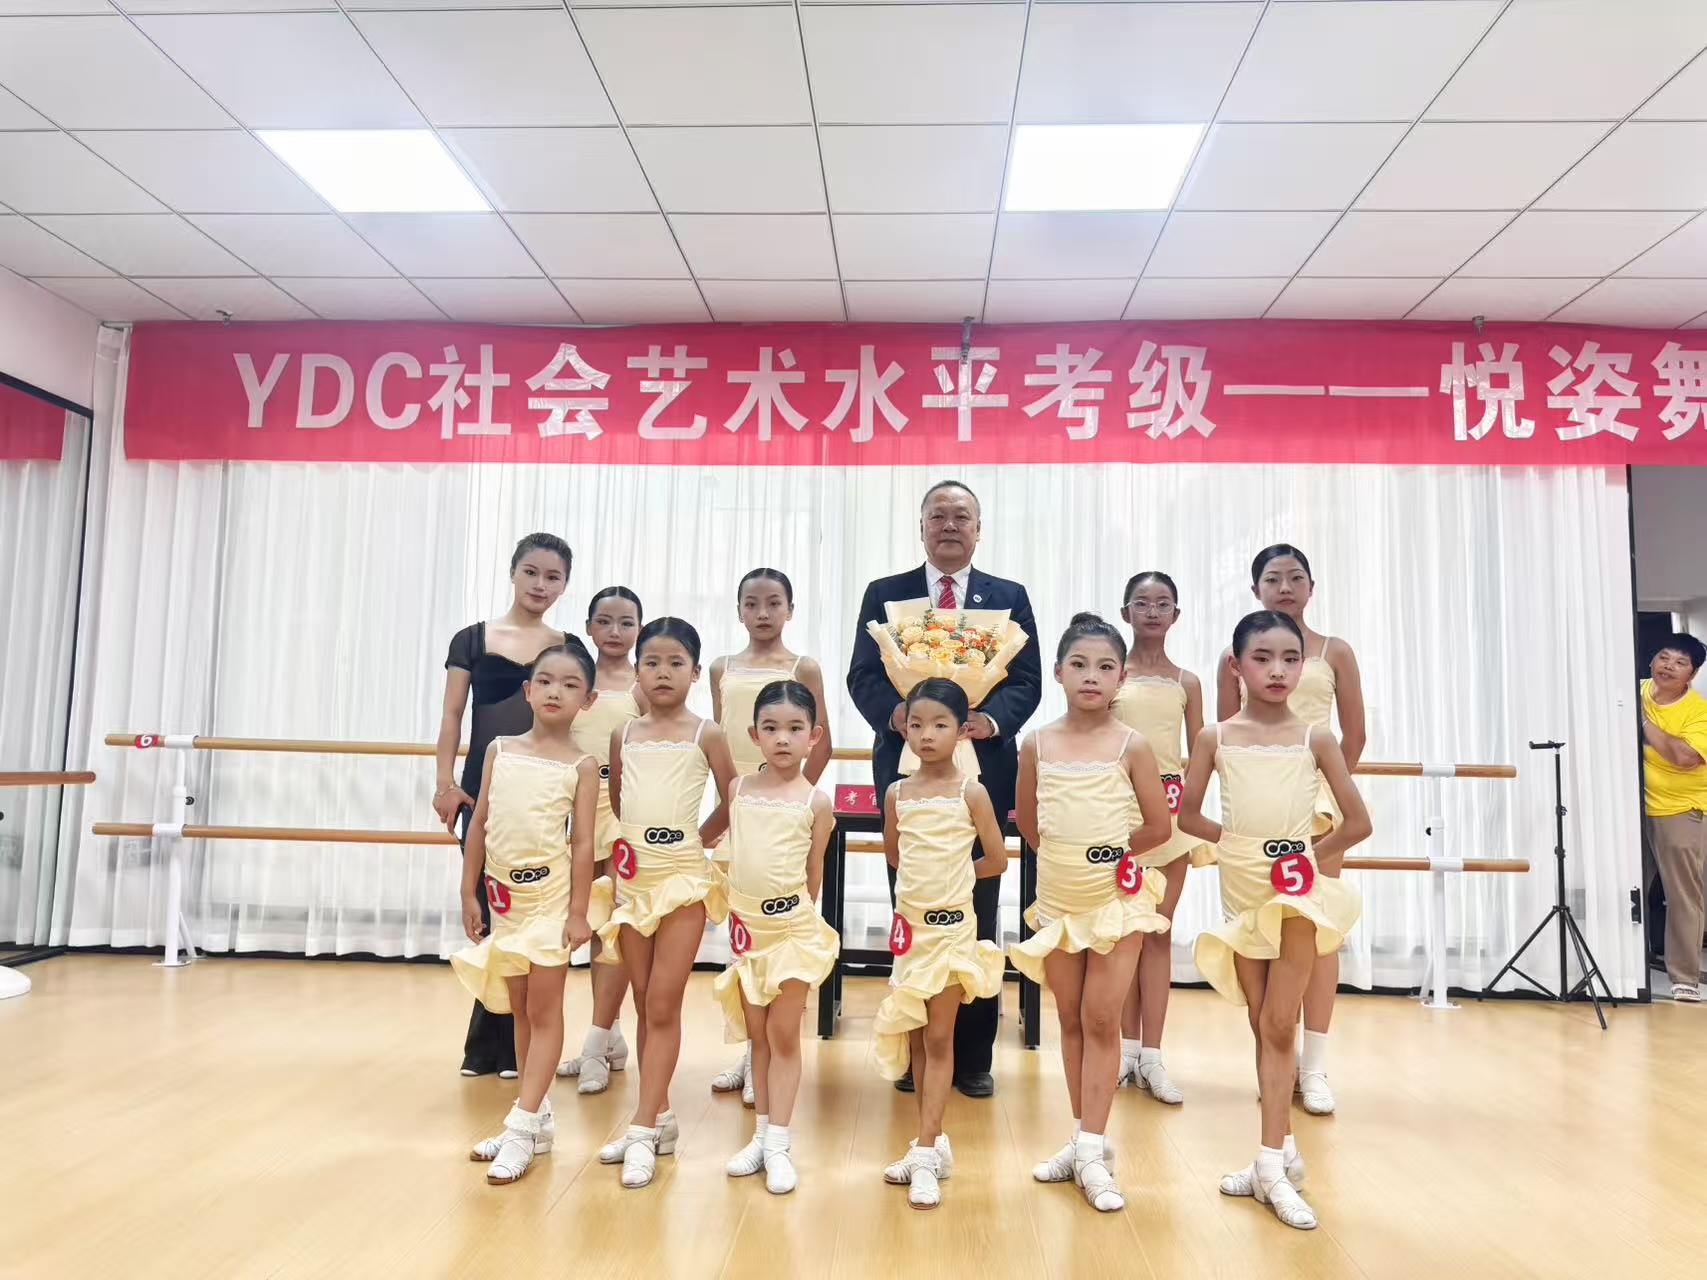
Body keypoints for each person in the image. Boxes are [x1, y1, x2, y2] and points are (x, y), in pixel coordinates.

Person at [847, 480, 1042, 1098]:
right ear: (922, 527)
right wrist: (897, 714)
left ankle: (972, 1055)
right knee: (911, 898)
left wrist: (989, 720)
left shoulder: (1008, 597)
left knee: (978, 909)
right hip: (905, 768)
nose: (950, 525)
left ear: (978, 530)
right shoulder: (886, 593)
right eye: (939, 516)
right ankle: (913, 1050)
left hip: (982, 769)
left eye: (962, 516)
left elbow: (1027, 680)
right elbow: (863, 675)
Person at [1180, 611, 1370, 1231]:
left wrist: (1302, 858)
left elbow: (1358, 822)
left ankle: (1269, 1163)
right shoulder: (1214, 737)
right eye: (1262, 658)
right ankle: (1280, 1154)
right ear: (1237, 666)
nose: (1278, 670)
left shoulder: (1316, 738)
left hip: (1296, 895)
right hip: (1241, 891)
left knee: (1282, 1022)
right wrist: (1237, 844)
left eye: (1290, 658)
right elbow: (1188, 817)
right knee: (1262, 1025)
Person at [1010, 615, 1173, 1212]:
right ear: (1058, 672)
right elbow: (1029, 823)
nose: (1091, 677)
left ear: (1121, 678)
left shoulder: (1133, 745)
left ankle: (1092, 1148)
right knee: (1071, 1019)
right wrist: (1066, 855)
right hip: (1058, 901)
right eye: (1079, 665)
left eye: (1106, 667)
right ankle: (1085, 1142)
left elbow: (1158, 825)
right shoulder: (1036, 743)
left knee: (1102, 1018)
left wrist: (1111, 853)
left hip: (1113, 904)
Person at [1218, 544, 1365, 1116]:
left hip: (1317, 807)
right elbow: (1227, 731)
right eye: (1273, 579)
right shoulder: (1235, 655)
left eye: (1295, 577)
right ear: (1255, 589)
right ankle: (1273, 1056)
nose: (1285, 587)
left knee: (1317, 933)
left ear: (1311, 586)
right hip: (1256, 812)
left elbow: (1353, 734)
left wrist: (1324, 785)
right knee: (1258, 931)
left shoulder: (1335, 651)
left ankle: (1316, 1067)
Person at [590, 618, 736, 1190]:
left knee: (662, 1003)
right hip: (634, 883)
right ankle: (660, 1117)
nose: (663, 673)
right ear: (637, 671)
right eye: (651, 662)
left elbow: (733, 797)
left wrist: (695, 840)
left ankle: (643, 1125)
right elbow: (620, 800)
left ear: (696, 672)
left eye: (676, 663)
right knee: (642, 998)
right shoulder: (623, 734)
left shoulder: (707, 733)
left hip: (682, 884)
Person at [450, 644, 601, 1184]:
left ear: (588, 700)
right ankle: (534, 1118)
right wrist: (469, 892)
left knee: (544, 1010)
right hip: (504, 901)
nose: (556, 691)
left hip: (550, 901)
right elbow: (480, 822)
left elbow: (582, 843)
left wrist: (578, 912)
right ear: (528, 690)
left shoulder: (583, 765)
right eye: (546, 681)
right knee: (519, 1010)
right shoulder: (500, 749)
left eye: (570, 684)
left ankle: (519, 1127)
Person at [435, 532, 576, 1079]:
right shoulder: (472, 639)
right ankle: (487, 1045)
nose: (540, 584)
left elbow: (580, 717)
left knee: (533, 915)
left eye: (553, 576)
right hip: (483, 786)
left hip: (547, 792)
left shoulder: (568, 646)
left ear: (564, 585)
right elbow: (452, 715)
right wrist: (444, 782)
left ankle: (518, 1046)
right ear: (512, 573)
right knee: (492, 911)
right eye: (531, 572)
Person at [873, 679, 1008, 1209]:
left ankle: (927, 1151)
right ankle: (928, 1143)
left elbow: (996, 859)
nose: (926, 735)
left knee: (938, 1036)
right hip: (912, 933)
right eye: (916, 724)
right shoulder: (897, 793)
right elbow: (895, 855)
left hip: (953, 932)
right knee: (915, 1038)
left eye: (940, 724)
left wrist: (956, 877)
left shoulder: (971, 791)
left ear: (961, 730)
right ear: (905, 729)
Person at [708, 568, 834, 1105]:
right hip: (740, 805)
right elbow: (720, 745)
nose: (763, 613)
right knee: (742, 932)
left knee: (780, 933)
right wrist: (731, 809)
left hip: (784, 812)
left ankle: (766, 1058)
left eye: (774, 603)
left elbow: (823, 741)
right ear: (739, 610)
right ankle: (750, 1050)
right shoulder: (722, 667)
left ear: (790, 609)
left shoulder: (803, 667)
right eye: (752, 603)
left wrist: (794, 800)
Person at [717, 680, 838, 1194]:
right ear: (754, 735)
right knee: (759, 1036)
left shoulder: (816, 801)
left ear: (814, 736)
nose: (782, 738)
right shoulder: (738, 790)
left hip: (791, 930)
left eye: (794, 728)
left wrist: (796, 918)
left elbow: (814, 873)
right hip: (749, 933)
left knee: (784, 1034)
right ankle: (761, 1136)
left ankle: (781, 1143)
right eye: (770, 728)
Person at [1111, 571, 1211, 1104]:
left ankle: (1152, 1054)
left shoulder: (1187, 682)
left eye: (1163, 603)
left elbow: (1201, 754)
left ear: (1177, 614)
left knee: (1157, 931)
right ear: (1125, 613)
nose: (1152, 611)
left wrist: (1190, 812)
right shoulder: (1111, 673)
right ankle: (1123, 1051)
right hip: (1117, 811)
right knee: (1122, 932)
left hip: (1168, 815)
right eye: (1142, 603)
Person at [558, 587, 646, 1092]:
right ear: (589, 626)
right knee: (584, 926)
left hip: (621, 814)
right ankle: (609, 1037)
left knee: (612, 929)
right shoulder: (573, 678)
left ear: (639, 629)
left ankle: (595, 1043)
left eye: (626, 623)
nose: (615, 632)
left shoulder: (643, 683)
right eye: (605, 621)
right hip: (572, 814)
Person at [1641, 634, 1707, 1002]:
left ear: (1691, 675)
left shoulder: (1698, 711)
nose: (1668, 666)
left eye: (1680, 663)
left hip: (1680, 810)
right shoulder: (1635, 691)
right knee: (1625, 888)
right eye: (1663, 657)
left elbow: (1683, 757)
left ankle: (1685, 978)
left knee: (1682, 895)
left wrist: (1643, 725)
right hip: (1632, 807)